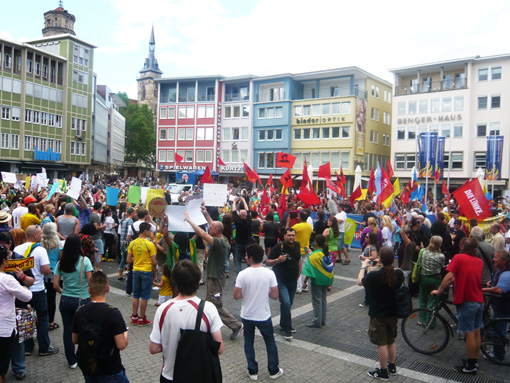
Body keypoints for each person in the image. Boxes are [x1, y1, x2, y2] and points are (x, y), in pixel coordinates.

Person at [150, 260, 224, 383]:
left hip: (171, 375)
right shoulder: (209, 308)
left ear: (175, 282)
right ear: (198, 282)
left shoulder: (164, 309)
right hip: (200, 375)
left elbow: (153, 348)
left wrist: (170, 343)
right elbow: (219, 348)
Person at [184, 208, 244, 340]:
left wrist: (189, 220)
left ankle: (236, 325)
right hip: (214, 276)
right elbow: (215, 226)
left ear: (215, 231)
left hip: (216, 278)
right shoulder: (221, 237)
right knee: (209, 304)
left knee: (215, 305)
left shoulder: (219, 242)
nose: (208, 229)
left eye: (210, 228)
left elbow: (202, 234)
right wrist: (206, 214)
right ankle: (208, 327)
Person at [431, 238, 483, 375]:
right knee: (476, 331)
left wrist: (439, 290)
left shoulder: (458, 258)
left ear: (462, 247)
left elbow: (449, 276)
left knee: (469, 333)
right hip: (478, 299)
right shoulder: (479, 261)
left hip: (467, 300)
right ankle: (474, 360)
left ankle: (470, 366)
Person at [234, 244, 283, 380]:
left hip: (247, 314)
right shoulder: (269, 273)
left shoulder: (242, 274)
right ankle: (273, 370)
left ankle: (253, 371)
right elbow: (275, 295)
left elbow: (236, 296)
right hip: (263, 314)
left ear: (250, 258)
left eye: (246, 255)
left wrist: (247, 291)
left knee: (249, 342)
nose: (245, 257)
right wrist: (264, 291)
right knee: (270, 341)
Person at [72, 271, 129, 382]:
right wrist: (125, 334)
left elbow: (74, 340)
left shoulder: (80, 312)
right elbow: (121, 345)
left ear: (89, 290)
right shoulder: (113, 313)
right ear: (108, 289)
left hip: (89, 369)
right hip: (110, 369)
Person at [358, 246, 404, 380]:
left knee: (382, 343)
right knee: (391, 340)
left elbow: (360, 282)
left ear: (380, 259)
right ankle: (392, 366)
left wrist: (363, 266)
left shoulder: (374, 276)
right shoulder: (399, 274)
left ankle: (383, 371)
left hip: (378, 314)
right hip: (393, 313)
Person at [14, 225, 59, 357]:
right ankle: (44, 347)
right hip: (38, 288)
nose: (42, 235)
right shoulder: (40, 250)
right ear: (34, 235)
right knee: (42, 318)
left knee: (26, 317)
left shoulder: (17, 249)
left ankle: (28, 346)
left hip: (23, 289)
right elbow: (46, 270)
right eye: (40, 233)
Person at [54, 235, 93, 368]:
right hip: (82, 300)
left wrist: (63, 292)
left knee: (67, 330)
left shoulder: (61, 262)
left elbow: (55, 285)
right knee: (83, 329)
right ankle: (81, 355)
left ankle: (71, 360)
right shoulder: (85, 261)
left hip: (65, 300)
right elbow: (90, 283)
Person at [0, 245, 32, 383]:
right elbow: (27, 296)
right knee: (2, 363)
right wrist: (24, 286)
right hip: (4, 326)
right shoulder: (7, 279)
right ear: (4, 261)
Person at [266, 228, 301, 340]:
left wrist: (299, 272)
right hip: (280, 281)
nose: (291, 237)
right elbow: (267, 262)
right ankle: (287, 328)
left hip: (292, 280)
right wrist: (278, 260)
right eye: (289, 235)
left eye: (293, 235)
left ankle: (282, 323)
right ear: (284, 236)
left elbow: (298, 259)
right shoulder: (278, 247)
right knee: (285, 303)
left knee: (288, 304)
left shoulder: (297, 245)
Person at [482, 250, 510, 362]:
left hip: (503, 307)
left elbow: (499, 290)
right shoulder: (501, 271)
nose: (493, 259)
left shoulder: (506, 274)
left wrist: (482, 289)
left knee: (497, 330)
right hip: (500, 306)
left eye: (496, 258)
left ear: (504, 260)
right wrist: (491, 283)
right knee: (499, 328)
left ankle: (498, 355)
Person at [127, 222, 157, 327]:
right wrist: (154, 275)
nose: (151, 232)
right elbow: (154, 262)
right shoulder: (150, 245)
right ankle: (141, 318)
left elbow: (128, 259)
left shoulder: (133, 243)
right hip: (146, 270)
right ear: (145, 231)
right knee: (144, 296)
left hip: (135, 270)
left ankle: (134, 317)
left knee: (136, 295)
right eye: (150, 230)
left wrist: (136, 259)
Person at [302, 234, 334, 328]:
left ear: (316, 242)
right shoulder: (327, 252)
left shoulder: (313, 255)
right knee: (323, 299)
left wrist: (304, 282)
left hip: (317, 279)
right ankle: (322, 319)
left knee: (317, 301)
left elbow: (308, 271)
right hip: (327, 279)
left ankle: (317, 321)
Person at [416, 236, 444, 325]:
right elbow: (441, 266)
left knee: (423, 298)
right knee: (433, 300)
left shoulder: (422, 252)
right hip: (436, 279)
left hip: (424, 277)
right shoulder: (441, 256)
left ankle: (422, 319)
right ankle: (430, 322)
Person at [41, 223, 62, 332]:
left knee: (42, 297)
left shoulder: (41, 244)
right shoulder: (59, 244)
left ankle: (41, 320)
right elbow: (60, 258)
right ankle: (51, 322)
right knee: (51, 298)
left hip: (42, 272)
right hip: (53, 272)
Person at [291, 211, 312, 294]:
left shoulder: (297, 226)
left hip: (298, 248)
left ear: (300, 217)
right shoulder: (309, 226)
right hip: (306, 248)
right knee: (304, 268)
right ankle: (305, 286)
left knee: (298, 268)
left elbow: (289, 232)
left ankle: (298, 287)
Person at [232, 196, 252, 277]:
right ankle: (248, 277)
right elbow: (248, 210)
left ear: (239, 215)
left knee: (239, 262)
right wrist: (244, 201)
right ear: (246, 215)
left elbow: (233, 212)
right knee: (249, 261)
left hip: (239, 243)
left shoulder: (238, 221)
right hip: (248, 243)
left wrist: (234, 202)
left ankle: (238, 278)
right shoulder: (249, 221)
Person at [89, 202, 106, 271]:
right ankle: (98, 268)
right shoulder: (96, 216)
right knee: (100, 252)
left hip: (93, 236)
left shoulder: (91, 214)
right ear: (99, 208)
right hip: (97, 237)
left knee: (93, 253)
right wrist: (103, 226)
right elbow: (96, 227)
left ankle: (92, 267)